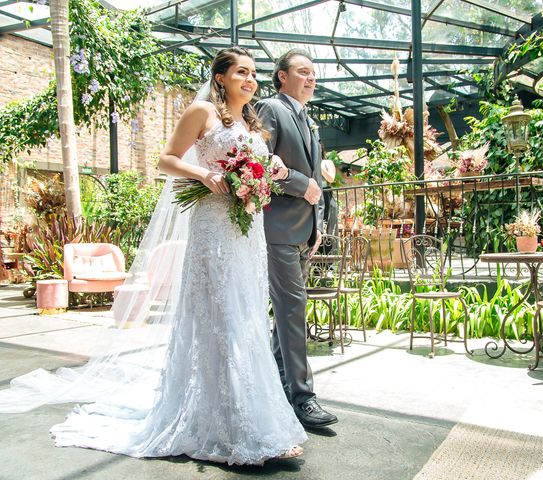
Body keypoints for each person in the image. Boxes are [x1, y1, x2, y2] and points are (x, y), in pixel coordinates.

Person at [2, 47, 307, 465]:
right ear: (220, 78)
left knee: (248, 319)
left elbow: (255, 171)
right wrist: (204, 173)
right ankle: (236, 430)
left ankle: (252, 419)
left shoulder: (252, 123)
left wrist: (265, 176)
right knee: (223, 320)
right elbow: (166, 159)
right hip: (213, 230)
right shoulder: (201, 112)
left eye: (253, 74)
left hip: (246, 231)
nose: (250, 80)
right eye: (241, 72)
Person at [255, 49, 338, 428]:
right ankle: (303, 398)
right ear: (281, 77)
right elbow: (257, 164)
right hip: (276, 229)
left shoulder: (308, 120)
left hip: (303, 232)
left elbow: (318, 184)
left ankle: (276, 386)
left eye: (314, 74)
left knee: (287, 312)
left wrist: (318, 225)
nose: (311, 79)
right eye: (303, 72)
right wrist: (302, 184)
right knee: (293, 308)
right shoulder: (270, 109)